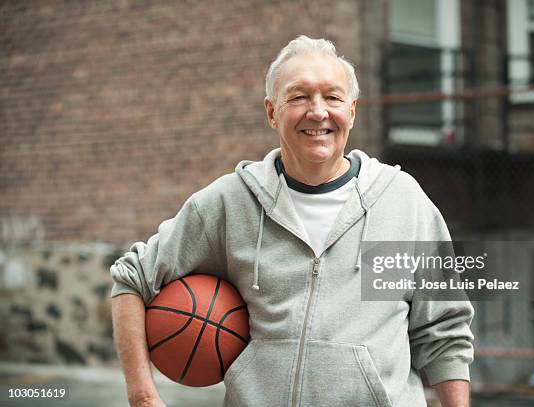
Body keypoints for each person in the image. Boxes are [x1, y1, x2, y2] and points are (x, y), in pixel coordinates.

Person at [110, 35, 474, 407]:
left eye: (332, 97)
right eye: (299, 97)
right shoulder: (232, 202)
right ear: (271, 112)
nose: (317, 112)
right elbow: (132, 278)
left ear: (352, 111)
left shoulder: (401, 201)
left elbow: (444, 330)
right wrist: (142, 395)